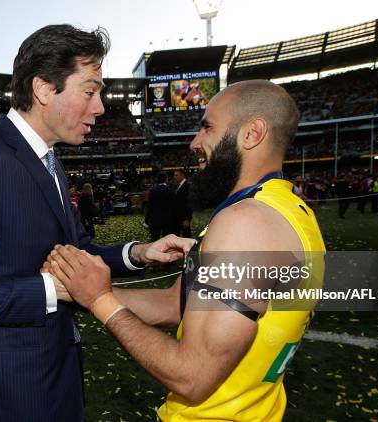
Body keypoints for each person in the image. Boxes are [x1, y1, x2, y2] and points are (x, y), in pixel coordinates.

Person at [0, 24, 193, 422]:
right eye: (90, 91)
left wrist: (139, 252)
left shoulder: (51, 164)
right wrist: (52, 289)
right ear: (44, 89)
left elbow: (78, 252)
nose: (100, 108)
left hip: (56, 383)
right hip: (6, 397)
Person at [46, 80, 326, 421]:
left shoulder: (245, 222)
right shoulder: (292, 211)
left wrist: (101, 302)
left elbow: (192, 376)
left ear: (252, 134)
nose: (195, 142)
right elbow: (174, 305)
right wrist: (78, 291)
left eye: (207, 127)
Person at [145, 172, 177, 241]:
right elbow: (174, 207)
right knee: (167, 241)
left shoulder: (152, 191)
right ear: (166, 179)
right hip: (168, 220)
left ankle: (154, 251)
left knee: (154, 240)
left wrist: (146, 221)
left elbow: (150, 207)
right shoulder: (170, 191)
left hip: (155, 219)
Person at [173, 169, 192, 237]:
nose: (174, 177)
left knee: (186, 235)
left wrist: (186, 218)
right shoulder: (177, 186)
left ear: (182, 175)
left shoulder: (187, 186)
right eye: (174, 175)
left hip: (184, 217)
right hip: (178, 216)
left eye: (176, 175)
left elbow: (189, 203)